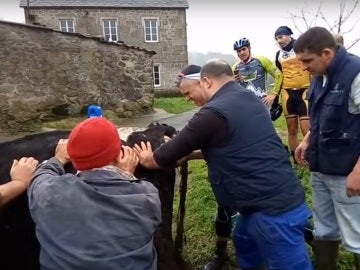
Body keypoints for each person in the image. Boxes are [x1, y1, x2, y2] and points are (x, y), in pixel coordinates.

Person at [134, 59, 313, 270]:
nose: (188, 99)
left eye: (188, 93)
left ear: (206, 82)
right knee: (244, 242)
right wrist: (190, 156)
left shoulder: (211, 113)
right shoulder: (249, 98)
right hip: (263, 200)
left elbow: (159, 159)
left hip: (273, 211)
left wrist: (146, 156)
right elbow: (234, 144)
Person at [28, 117, 161, 270]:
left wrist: (58, 159)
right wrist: (125, 175)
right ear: (118, 154)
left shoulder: (49, 193)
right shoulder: (146, 196)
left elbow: (40, 175)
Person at [294, 26, 360, 270]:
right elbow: (323, 116)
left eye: (307, 61)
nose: (304, 67)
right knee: (324, 230)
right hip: (321, 166)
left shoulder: (355, 73)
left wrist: (359, 171)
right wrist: (307, 139)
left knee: (356, 235)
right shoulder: (319, 74)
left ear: (327, 53)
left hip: (347, 172)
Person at [274, 26, 311, 164]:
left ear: (289, 35)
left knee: (306, 128)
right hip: (287, 92)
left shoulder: (302, 48)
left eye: (280, 37)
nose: (279, 40)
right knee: (291, 128)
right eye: (276, 38)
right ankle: (297, 161)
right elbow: (280, 74)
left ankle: (309, 158)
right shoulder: (278, 55)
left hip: (304, 90)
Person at [232, 37, 282, 108]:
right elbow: (232, 87)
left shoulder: (261, 60)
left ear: (249, 48)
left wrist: (273, 94)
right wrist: (232, 82)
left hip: (262, 103)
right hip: (244, 105)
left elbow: (278, 75)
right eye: (239, 51)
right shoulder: (235, 67)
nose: (242, 52)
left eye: (244, 49)